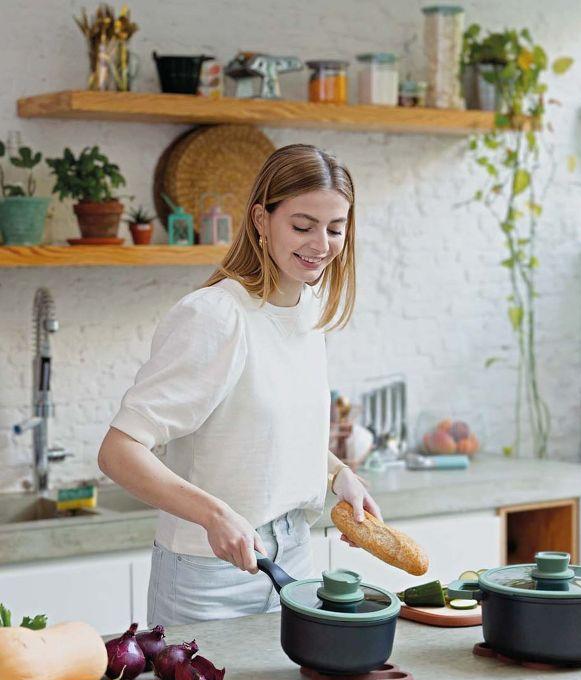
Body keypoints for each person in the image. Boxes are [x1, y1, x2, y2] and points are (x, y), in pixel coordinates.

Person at [97, 143, 381, 625]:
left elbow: (265, 429)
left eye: (335, 228)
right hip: (209, 573)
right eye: (302, 225)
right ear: (260, 220)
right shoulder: (215, 316)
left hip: (295, 557)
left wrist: (337, 474)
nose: (321, 244)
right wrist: (214, 515)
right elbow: (118, 452)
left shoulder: (307, 312)